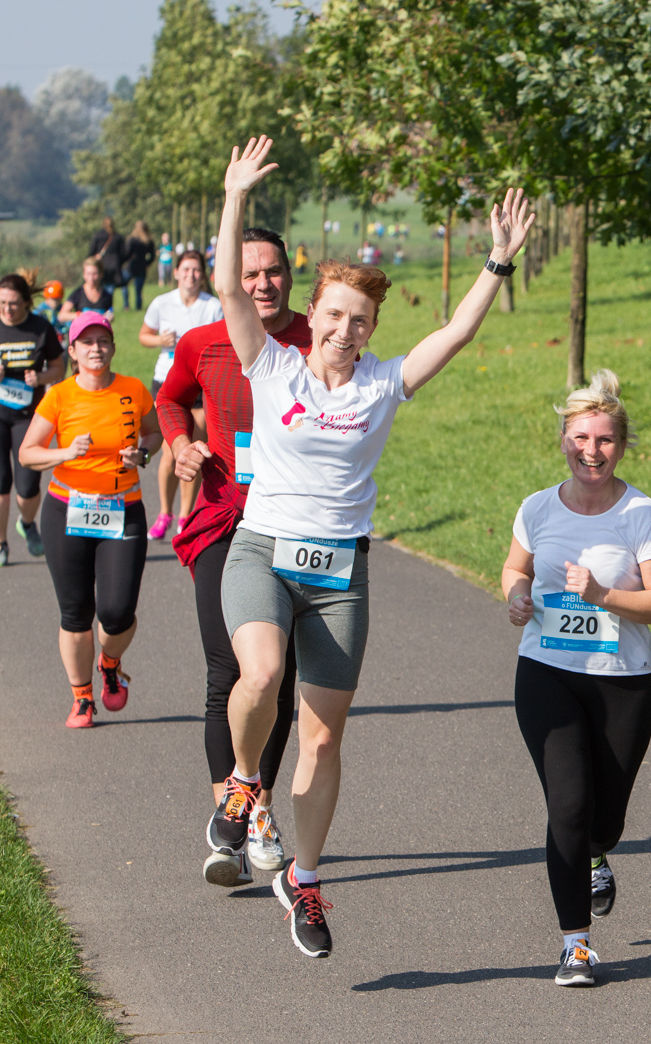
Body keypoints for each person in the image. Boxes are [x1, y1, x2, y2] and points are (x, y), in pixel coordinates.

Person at [208, 136, 533, 958]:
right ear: (310, 315)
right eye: (335, 315)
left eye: (362, 320)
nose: (346, 329)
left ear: (371, 328)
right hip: (263, 550)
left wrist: (496, 261)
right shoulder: (270, 366)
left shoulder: (386, 383)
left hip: (339, 571)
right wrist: (235, 196)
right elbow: (226, 286)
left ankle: (305, 881)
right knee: (262, 673)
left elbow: (455, 334)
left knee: (322, 737)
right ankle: (246, 782)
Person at [500, 370, 651, 988]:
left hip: (621, 680)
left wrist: (604, 595)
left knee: (605, 819)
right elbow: (513, 569)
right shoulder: (537, 508)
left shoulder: (641, 514)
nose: (591, 451)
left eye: (604, 440)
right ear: (563, 440)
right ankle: (575, 945)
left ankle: (600, 854)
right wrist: (517, 595)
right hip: (546, 672)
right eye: (581, 438)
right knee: (569, 808)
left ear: (621, 446)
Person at [158, 226, 311, 885]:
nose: (262, 284)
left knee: (280, 677)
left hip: (301, 527)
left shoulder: (317, 339)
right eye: (249, 274)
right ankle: (231, 812)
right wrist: (180, 443)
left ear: (289, 274)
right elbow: (169, 398)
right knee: (229, 670)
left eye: (273, 271)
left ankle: (262, 809)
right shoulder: (202, 341)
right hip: (226, 519)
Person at [17, 311, 161, 728]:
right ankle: (82, 697)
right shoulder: (59, 396)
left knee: (117, 612)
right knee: (76, 611)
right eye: (87, 342)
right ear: (73, 351)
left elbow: (153, 434)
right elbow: (28, 452)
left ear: (113, 348)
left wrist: (144, 454)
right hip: (68, 509)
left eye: (103, 341)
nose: (96, 349)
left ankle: (110, 663)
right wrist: (62, 453)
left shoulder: (133, 390)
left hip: (123, 509)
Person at [0, 274, 65, 568]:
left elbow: (59, 366)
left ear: (26, 303)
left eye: (14, 304)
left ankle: (28, 524)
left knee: (28, 484)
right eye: (2, 303)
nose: (7, 309)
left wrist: (41, 377)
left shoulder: (40, 328)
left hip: (30, 415)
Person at [140, 249, 223, 541]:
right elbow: (143, 335)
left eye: (196, 270)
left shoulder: (213, 306)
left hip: (201, 384)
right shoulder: (162, 303)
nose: (191, 274)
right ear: (175, 272)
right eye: (186, 269)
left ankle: (186, 515)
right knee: (168, 451)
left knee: (194, 448)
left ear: (204, 274)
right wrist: (159, 340)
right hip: (166, 381)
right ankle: (165, 512)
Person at [59, 258, 114, 323]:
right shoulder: (78, 293)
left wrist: (109, 317)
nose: (91, 278)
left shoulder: (107, 295)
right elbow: (62, 316)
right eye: (88, 274)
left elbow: (109, 313)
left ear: (101, 274)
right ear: (84, 274)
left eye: (94, 274)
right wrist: (81, 315)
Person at [89, 217, 125, 301]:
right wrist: (119, 263)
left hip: (100, 265)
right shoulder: (118, 237)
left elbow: (91, 252)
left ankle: (100, 302)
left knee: (99, 285)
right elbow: (123, 253)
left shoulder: (98, 236)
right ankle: (108, 304)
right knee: (110, 287)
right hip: (114, 265)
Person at [122, 221, 153, 311]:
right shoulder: (148, 241)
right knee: (138, 291)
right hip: (141, 267)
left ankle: (126, 305)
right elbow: (152, 256)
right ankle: (138, 307)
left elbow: (126, 253)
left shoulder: (131, 240)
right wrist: (147, 263)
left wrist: (123, 262)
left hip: (130, 266)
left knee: (124, 284)